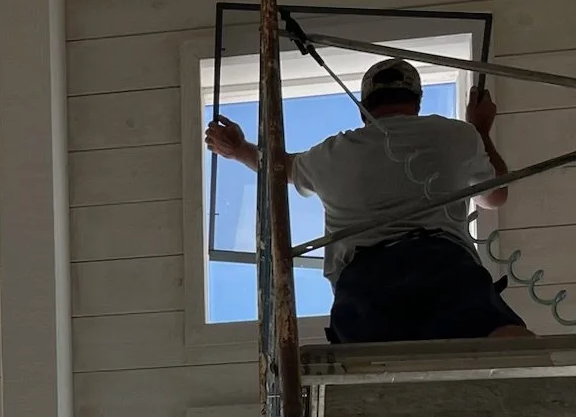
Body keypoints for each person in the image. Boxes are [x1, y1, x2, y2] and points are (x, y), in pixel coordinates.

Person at [204, 58, 532, 344]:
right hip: (444, 265)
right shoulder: (457, 135)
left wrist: (239, 150)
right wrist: (481, 130)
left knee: (371, 365)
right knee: (505, 341)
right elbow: (496, 196)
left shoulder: (333, 154)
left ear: (363, 109)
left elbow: (279, 169)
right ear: (417, 101)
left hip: (366, 283)